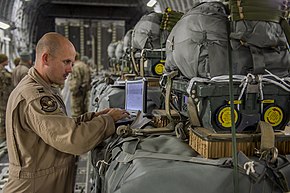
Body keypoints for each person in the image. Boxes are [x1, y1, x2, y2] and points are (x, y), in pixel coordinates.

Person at [3, 32, 129, 193]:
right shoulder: (34, 96)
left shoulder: (44, 88)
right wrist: (108, 121)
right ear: (46, 58)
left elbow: (60, 125)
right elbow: (74, 140)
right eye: (66, 62)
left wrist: (94, 117)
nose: (70, 69)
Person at [0, 54, 13, 143]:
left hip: (4, 98)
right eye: (6, 60)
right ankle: (2, 137)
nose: (8, 61)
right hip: (3, 99)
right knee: (3, 118)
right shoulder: (3, 73)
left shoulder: (5, 71)